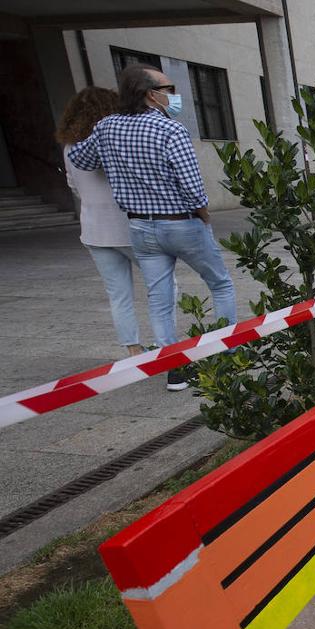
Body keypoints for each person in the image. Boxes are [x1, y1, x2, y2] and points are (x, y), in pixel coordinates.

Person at [69, 64, 237, 392]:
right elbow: (192, 185)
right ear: (150, 94)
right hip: (181, 221)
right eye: (168, 88)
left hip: (140, 225)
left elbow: (80, 159)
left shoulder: (106, 127)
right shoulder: (170, 131)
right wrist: (204, 217)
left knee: (158, 298)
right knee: (220, 284)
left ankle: (175, 369)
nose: (173, 95)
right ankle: (227, 351)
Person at [57, 87, 146, 358]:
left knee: (118, 295)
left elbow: (74, 186)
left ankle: (133, 350)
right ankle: (167, 344)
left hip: (94, 229)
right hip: (128, 225)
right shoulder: (117, 141)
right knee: (164, 286)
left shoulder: (70, 147)